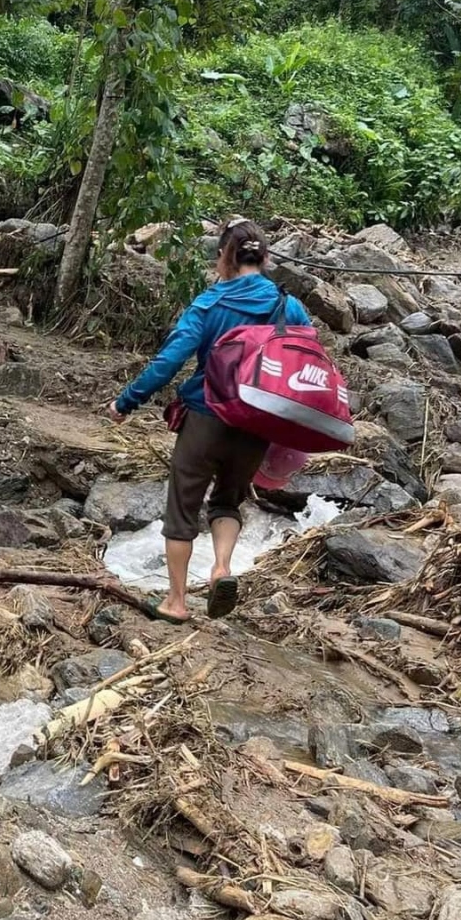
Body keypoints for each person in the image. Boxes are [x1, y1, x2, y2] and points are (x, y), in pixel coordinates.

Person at [107, 219, 312, 623]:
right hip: (258, 424)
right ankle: (221, 568)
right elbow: (306, 359)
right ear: (266, 258)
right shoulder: (288, 305)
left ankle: (177, 602)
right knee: (227, 501)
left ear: (225, 257)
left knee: (182, 508)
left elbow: (169, 362)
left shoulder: (210, 303)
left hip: (205, 416)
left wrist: (126, 402)